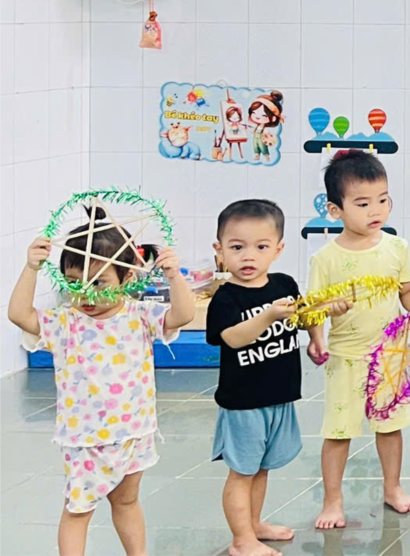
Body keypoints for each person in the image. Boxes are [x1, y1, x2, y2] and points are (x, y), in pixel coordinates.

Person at [9, 207, 195, 556]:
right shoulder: (65, 322)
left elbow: (183, 315)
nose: (86, 294)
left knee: (127, 502)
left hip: (134, 432)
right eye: (74, 282)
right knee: (78, 510)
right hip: (85, 439)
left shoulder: (140, 315)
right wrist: (31, 268)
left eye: (99, 283)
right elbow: (19, 314)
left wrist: (174, 276)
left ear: (127, 278)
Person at [308, 150, 410, 529]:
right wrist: (317, 336)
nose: (376, 210)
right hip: (346, 358)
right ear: (335, 209)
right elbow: (313, 309)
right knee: (338, 432)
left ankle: (393, 488)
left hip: (391, 356)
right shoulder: (325, 259)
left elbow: (408, 290)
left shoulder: (397, 248)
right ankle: (332, 500)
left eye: (383, 200)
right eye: (362, 204)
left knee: (390, 428)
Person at [207, 199, 304, 556]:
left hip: (279, 395)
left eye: (261, 247)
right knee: (242, 473)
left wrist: (325, 317)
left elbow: (302, 318)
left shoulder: (284, 284)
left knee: (262, 469)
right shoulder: (225, 299)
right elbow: (233, 338)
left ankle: (253, 524)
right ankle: (241, 539)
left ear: (278, 249)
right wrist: (268, 316)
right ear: (219, 250)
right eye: (237, 247)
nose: (249, 256)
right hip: (243, 403)